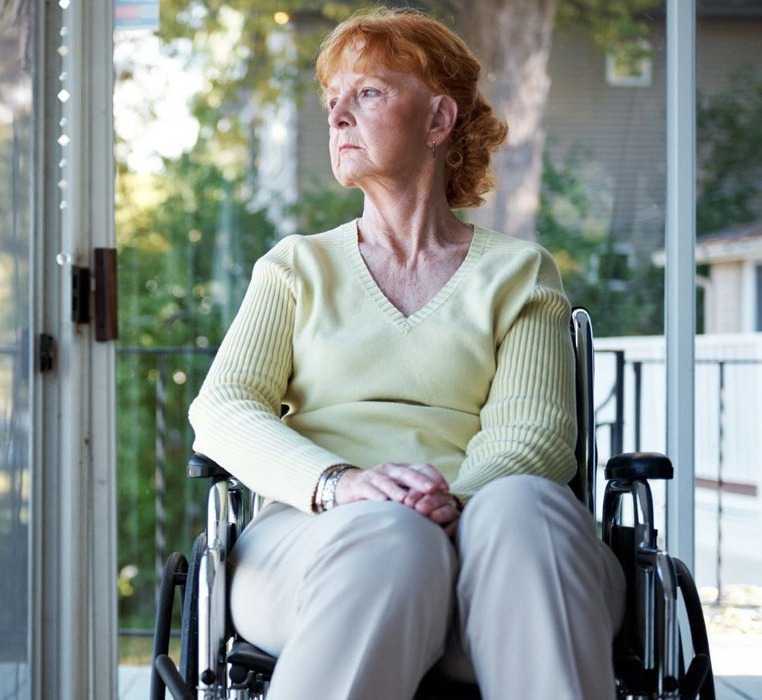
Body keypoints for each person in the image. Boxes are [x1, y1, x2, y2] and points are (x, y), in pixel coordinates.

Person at [187, 7, 625, 699]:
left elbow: (533, 433)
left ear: (437, 120)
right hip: (316, 540)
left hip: (493, 550)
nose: (335, 118)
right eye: (332, 101)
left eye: (366, 93)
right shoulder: (295, 268)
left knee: (524, 509)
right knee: (390, 538)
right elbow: (223, 410)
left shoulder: (518, 272)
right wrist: (340, 485)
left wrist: (453, 505)